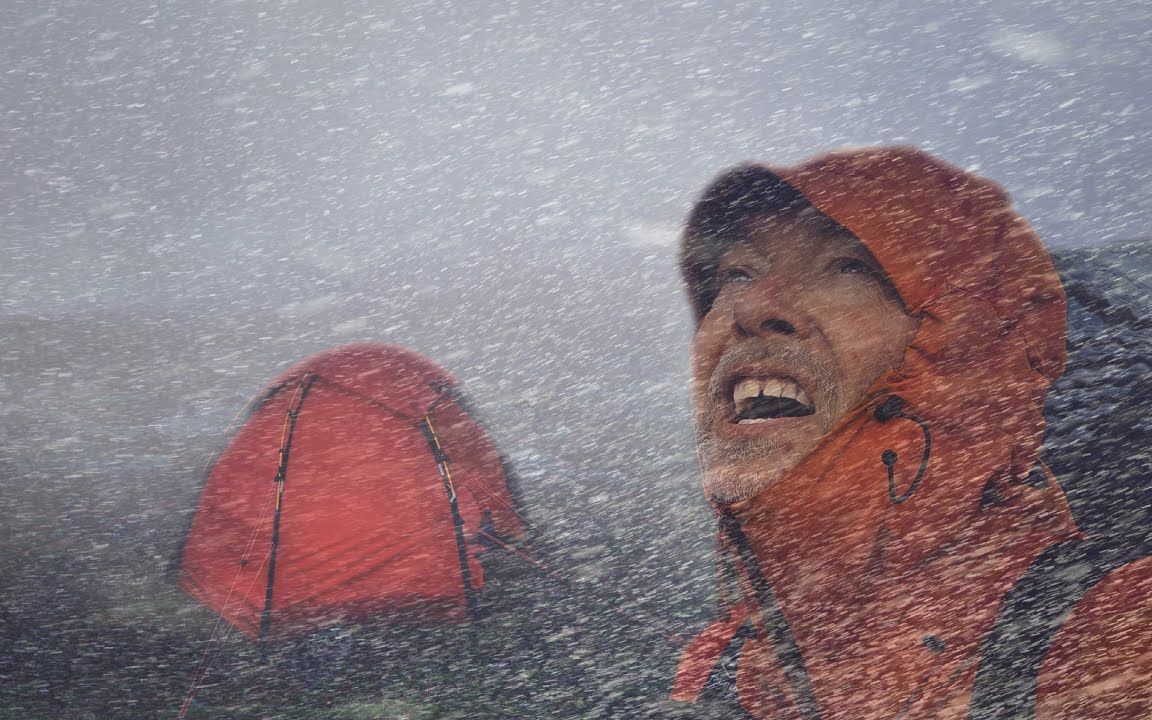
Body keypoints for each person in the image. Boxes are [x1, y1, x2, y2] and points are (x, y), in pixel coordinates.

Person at [668, 147, 1151, 719]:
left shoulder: (1115, 634)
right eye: (736, 273)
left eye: (848, 267)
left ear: (964, 349)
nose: (749, 307)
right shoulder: (722, 671)